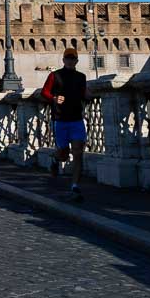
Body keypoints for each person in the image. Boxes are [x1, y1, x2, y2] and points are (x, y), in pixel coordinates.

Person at [41, 47, 89, 201]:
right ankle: (55, 159)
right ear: (63, 60)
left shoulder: (81, 77)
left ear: (76, 61)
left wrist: (89, 96)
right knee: (64, 154)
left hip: (76, 120)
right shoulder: (54, 76)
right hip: (60, 120)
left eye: (73, 58)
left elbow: (83, 94)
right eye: (68, 58)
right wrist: (54, 98)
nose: (70, 60)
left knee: (78, 153)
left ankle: (75, 186)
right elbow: (44, 92)